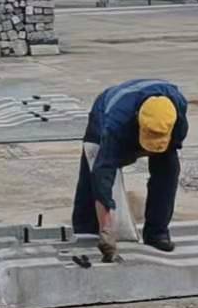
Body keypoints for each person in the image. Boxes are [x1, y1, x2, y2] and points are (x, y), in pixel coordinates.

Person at [72, 78, 188, 261]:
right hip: (104, 110)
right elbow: (103, 174)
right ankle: (87, 231)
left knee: (169, 170)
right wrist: (107, 227)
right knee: (93, 169)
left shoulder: (177, 112)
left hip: (148, 116)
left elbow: (174, 145)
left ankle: (157, 233)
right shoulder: (116, 123)